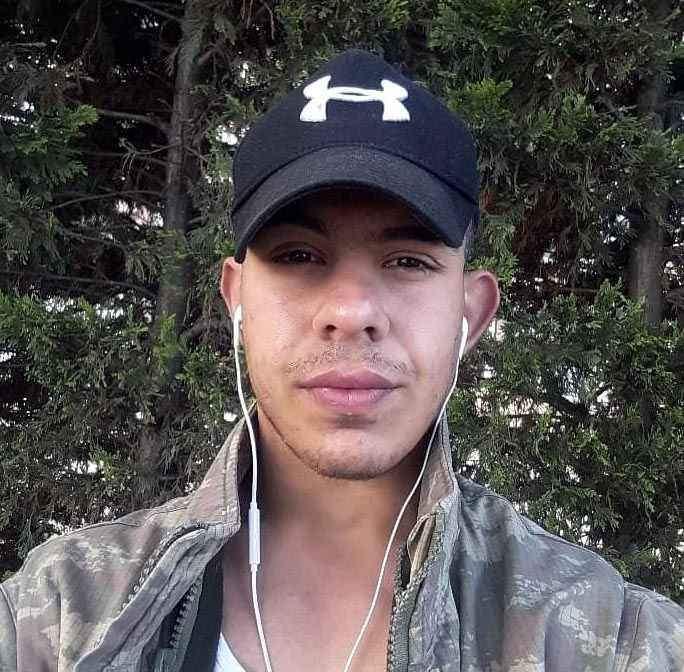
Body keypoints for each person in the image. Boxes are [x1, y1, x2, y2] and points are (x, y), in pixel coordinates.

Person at [1, 49, 682, 672]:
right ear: (237, 299)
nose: (352, 311)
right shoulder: (57, 618)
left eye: (407, 261)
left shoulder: (605, 638)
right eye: (299, 255)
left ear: (470, 315)